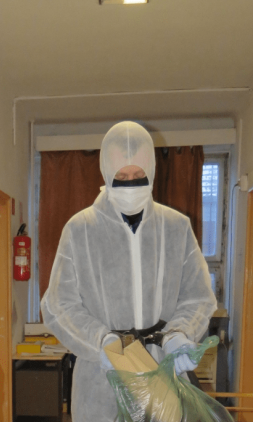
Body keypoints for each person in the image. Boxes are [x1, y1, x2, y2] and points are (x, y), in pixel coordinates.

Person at [41, 121, 217, 422]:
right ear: (107, 174)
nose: (131, 184)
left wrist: (178, 334)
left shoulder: (176, 227)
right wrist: (101, 342)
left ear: (152, 173)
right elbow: (59, 305)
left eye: (138, 176)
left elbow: (198, 296)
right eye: (121, 177)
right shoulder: (80, 230)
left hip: (163, 375)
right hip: (101, 379)